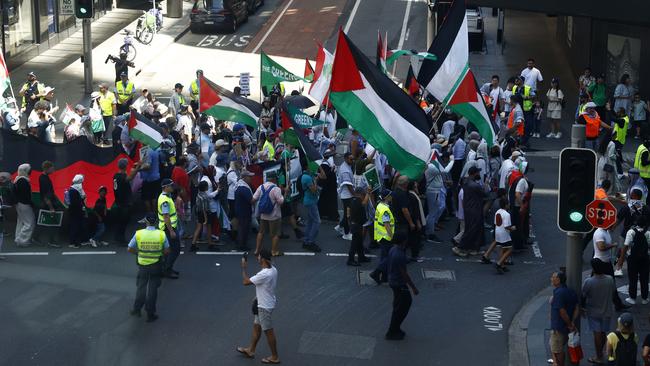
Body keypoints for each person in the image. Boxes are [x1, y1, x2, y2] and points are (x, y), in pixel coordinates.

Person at [237, 249, 280, 364]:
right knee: (257, 327)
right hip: (264, 302)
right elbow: (265, 287)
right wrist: (257, 297)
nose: (257, 258)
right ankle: (251, 350)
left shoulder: (264, 273)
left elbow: (246, 282)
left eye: (259, 256)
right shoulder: (273, 270)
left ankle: (275, 357)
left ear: (263, 259)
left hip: (264, 307)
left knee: (268, 332)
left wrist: (244, 267)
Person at [128, 212, 170, 323]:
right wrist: (158, 253)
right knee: (152, 290)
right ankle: (150, 314)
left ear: (146, 222)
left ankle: (137, 309)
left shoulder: (139, 234)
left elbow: (130, 248)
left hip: (142, 265)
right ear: (156, 222)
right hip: (156, 265)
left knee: (141, 287)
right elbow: (167, 251)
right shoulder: (161, 234)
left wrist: (139, 253)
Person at [385, 232, 419, 340]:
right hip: (399, 283)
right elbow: (404, 274)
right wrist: (413, 288)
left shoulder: (394, 250)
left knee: (398, 306)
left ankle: (395, 329)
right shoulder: (399, 254)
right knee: (403, 307)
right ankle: (392, 330)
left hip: (393, 281)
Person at [582, 258, 616, 365]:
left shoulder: (589, 281)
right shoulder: (610, 279)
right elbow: (614, 291)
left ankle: (599, 356)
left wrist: (582, 308)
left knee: (596, 333)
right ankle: (600, 353)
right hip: (607, 310)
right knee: (603, 332)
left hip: (593, 311)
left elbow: (583, 295)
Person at [616, 216, 650, 305]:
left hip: (633, 259)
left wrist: (620, 262)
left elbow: (625, 247)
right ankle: (645, 298)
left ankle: (632, 298)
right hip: (645, 259)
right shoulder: (648, 233)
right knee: (644, 278)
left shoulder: (631, 232)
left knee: (632, 278)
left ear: (636, 223)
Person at [593, 226, 627, 311]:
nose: (613, 226)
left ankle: (618, 304)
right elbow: (601, 247)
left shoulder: (606, 231)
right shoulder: (599, 233)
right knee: (598, 284)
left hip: (606, 262)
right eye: (612, 224)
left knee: (611, 284)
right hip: (600, 263)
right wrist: (612, 245)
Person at [453, 167, 486, 256]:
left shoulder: (466, 183)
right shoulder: (474, 185)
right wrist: (486, 185)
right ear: (474, 173)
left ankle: (473, 248)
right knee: (471, 230)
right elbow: (485, 193)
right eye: (478, 172)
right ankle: (459, 248)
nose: (479, 174)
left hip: (469, 209)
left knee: (474, 230)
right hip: (474, 210)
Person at [549, 271, 579, 366]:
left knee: (557, 350)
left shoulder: (559, 293)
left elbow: (562, 311)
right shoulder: (570, 291)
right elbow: (577, 308)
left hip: (559, 327)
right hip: (564, 327)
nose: (551, 279)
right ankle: (555, 363)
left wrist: (570, 324)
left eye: (553, 277)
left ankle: (558, 364)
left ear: (558, 280)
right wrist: (572, 322)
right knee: (555, 346)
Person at [252, 171, 284, 257]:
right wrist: (285, 193)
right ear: (274, 179)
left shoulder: (261, 187)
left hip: (263, 215)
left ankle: (257, 250)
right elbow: (280, 202)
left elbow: (254, 199)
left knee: (261, 232)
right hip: (274, 215)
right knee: (275, 234)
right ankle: (274, 251)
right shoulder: (276, 189)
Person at [481, 198, 515, 273]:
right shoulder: (507, 214)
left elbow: (496, 223)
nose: (509, 205)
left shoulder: (498, 212)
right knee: (510, 249)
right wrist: (512, 228)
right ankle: (499, 263)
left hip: (498, 232)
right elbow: (507, 226)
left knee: (503, 248)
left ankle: (502, 265)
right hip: (504, 234)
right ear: (506, 205)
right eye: (508, 204)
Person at [369, 189, 394, 284]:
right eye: (390, 195)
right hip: (386, 236)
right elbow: (387, 224)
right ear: (387, 197)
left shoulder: (380, 206)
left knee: (384, 257)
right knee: (388, 258)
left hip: (380, 235)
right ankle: (376, 273)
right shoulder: (385, 210)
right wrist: (391, 236)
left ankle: (384, 277)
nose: (392, 197)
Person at [113, 158, 139, 244]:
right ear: (125, 166)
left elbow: (129, 175)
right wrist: (138, 167)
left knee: (119, 222)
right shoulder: (122, 177)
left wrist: (134, 168)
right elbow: (130, 177)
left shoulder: (116, 176)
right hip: (124, 203)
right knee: (123, 223)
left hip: (118, 201)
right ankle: (121, 239)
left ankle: (117, 237)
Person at [158, 178, 180, 279]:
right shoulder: (165, 200)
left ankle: (167, 268)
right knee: (175, 250)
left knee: (169, 250)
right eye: (171, 186)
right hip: (168, 229)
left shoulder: (166, 196)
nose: (172, 187)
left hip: (169, 227)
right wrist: (171, 231)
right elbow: (166, 216)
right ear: (165, 187)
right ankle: (167, 269)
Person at [34, 161, 60, 248]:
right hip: (47, 204)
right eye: (52, 168)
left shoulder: (43, 177)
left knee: (44, 222)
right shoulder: (44, 179)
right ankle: (51, 241)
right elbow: (46, 196)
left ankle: (36, 238)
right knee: (51, 223)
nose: (53, 169)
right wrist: (51, 207)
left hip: (45, 203)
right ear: (47, 168)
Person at [347, 186, 371, 266]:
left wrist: (349, 220)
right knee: (355, 243)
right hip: (356, 225)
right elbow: (364, 203)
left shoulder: (352, 200)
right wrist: (368, 193)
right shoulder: (357, 200)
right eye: (363, 194)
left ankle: (361, 257)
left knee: (359, 242)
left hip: (355, 224)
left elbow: (348, 211)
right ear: (360, 194)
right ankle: (350, 260)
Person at [301, 167, 323, 253]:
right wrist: (315, 180)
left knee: (310, 222)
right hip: (310, 202)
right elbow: (313, 190)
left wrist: (320, 170)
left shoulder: (310, 175)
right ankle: (310, 242)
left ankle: (306, 241)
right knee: (317, 222)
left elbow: (324, 176)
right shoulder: (307, 177)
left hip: (311, 201)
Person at [13, 164, 35, 247]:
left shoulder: (17, 179)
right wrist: (31, 203)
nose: (30, 172)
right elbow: (25, 195)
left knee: (21, 221)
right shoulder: (23, 181)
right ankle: (23, 240)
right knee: (30, 222)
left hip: (19, 203)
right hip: (24, 204)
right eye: (29, 170)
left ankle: (18, 238)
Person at [335, 152, 355, 241]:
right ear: (346, 159)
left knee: (348, 214)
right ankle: (346, 234)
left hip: (346, 194)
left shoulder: (345, 166)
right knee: (348, 215)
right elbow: (348, 184)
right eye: (351, 159)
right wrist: (354, 194)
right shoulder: (345, 170)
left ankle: (340, 226)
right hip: (347, 195)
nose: (352, 161)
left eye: (353, 159)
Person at [234, 170, 255, 251]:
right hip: (244, 211)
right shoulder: (244, 188)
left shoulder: (240, 185)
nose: (251, 178)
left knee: (242, 227)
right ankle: (242, 245)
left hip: (241, 210)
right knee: (244, 228)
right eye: (249, 177)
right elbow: (251, 200)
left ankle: (240, 242)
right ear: (244, 177)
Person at [67, 174, 89, 249]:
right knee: (75, 226)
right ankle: (73, 242)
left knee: (79, 226)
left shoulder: (76, 189)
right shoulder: (74, 190)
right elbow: (76, 202)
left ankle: (81, 240)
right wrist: (82, 208)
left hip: (77, 211)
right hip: (76, 212)